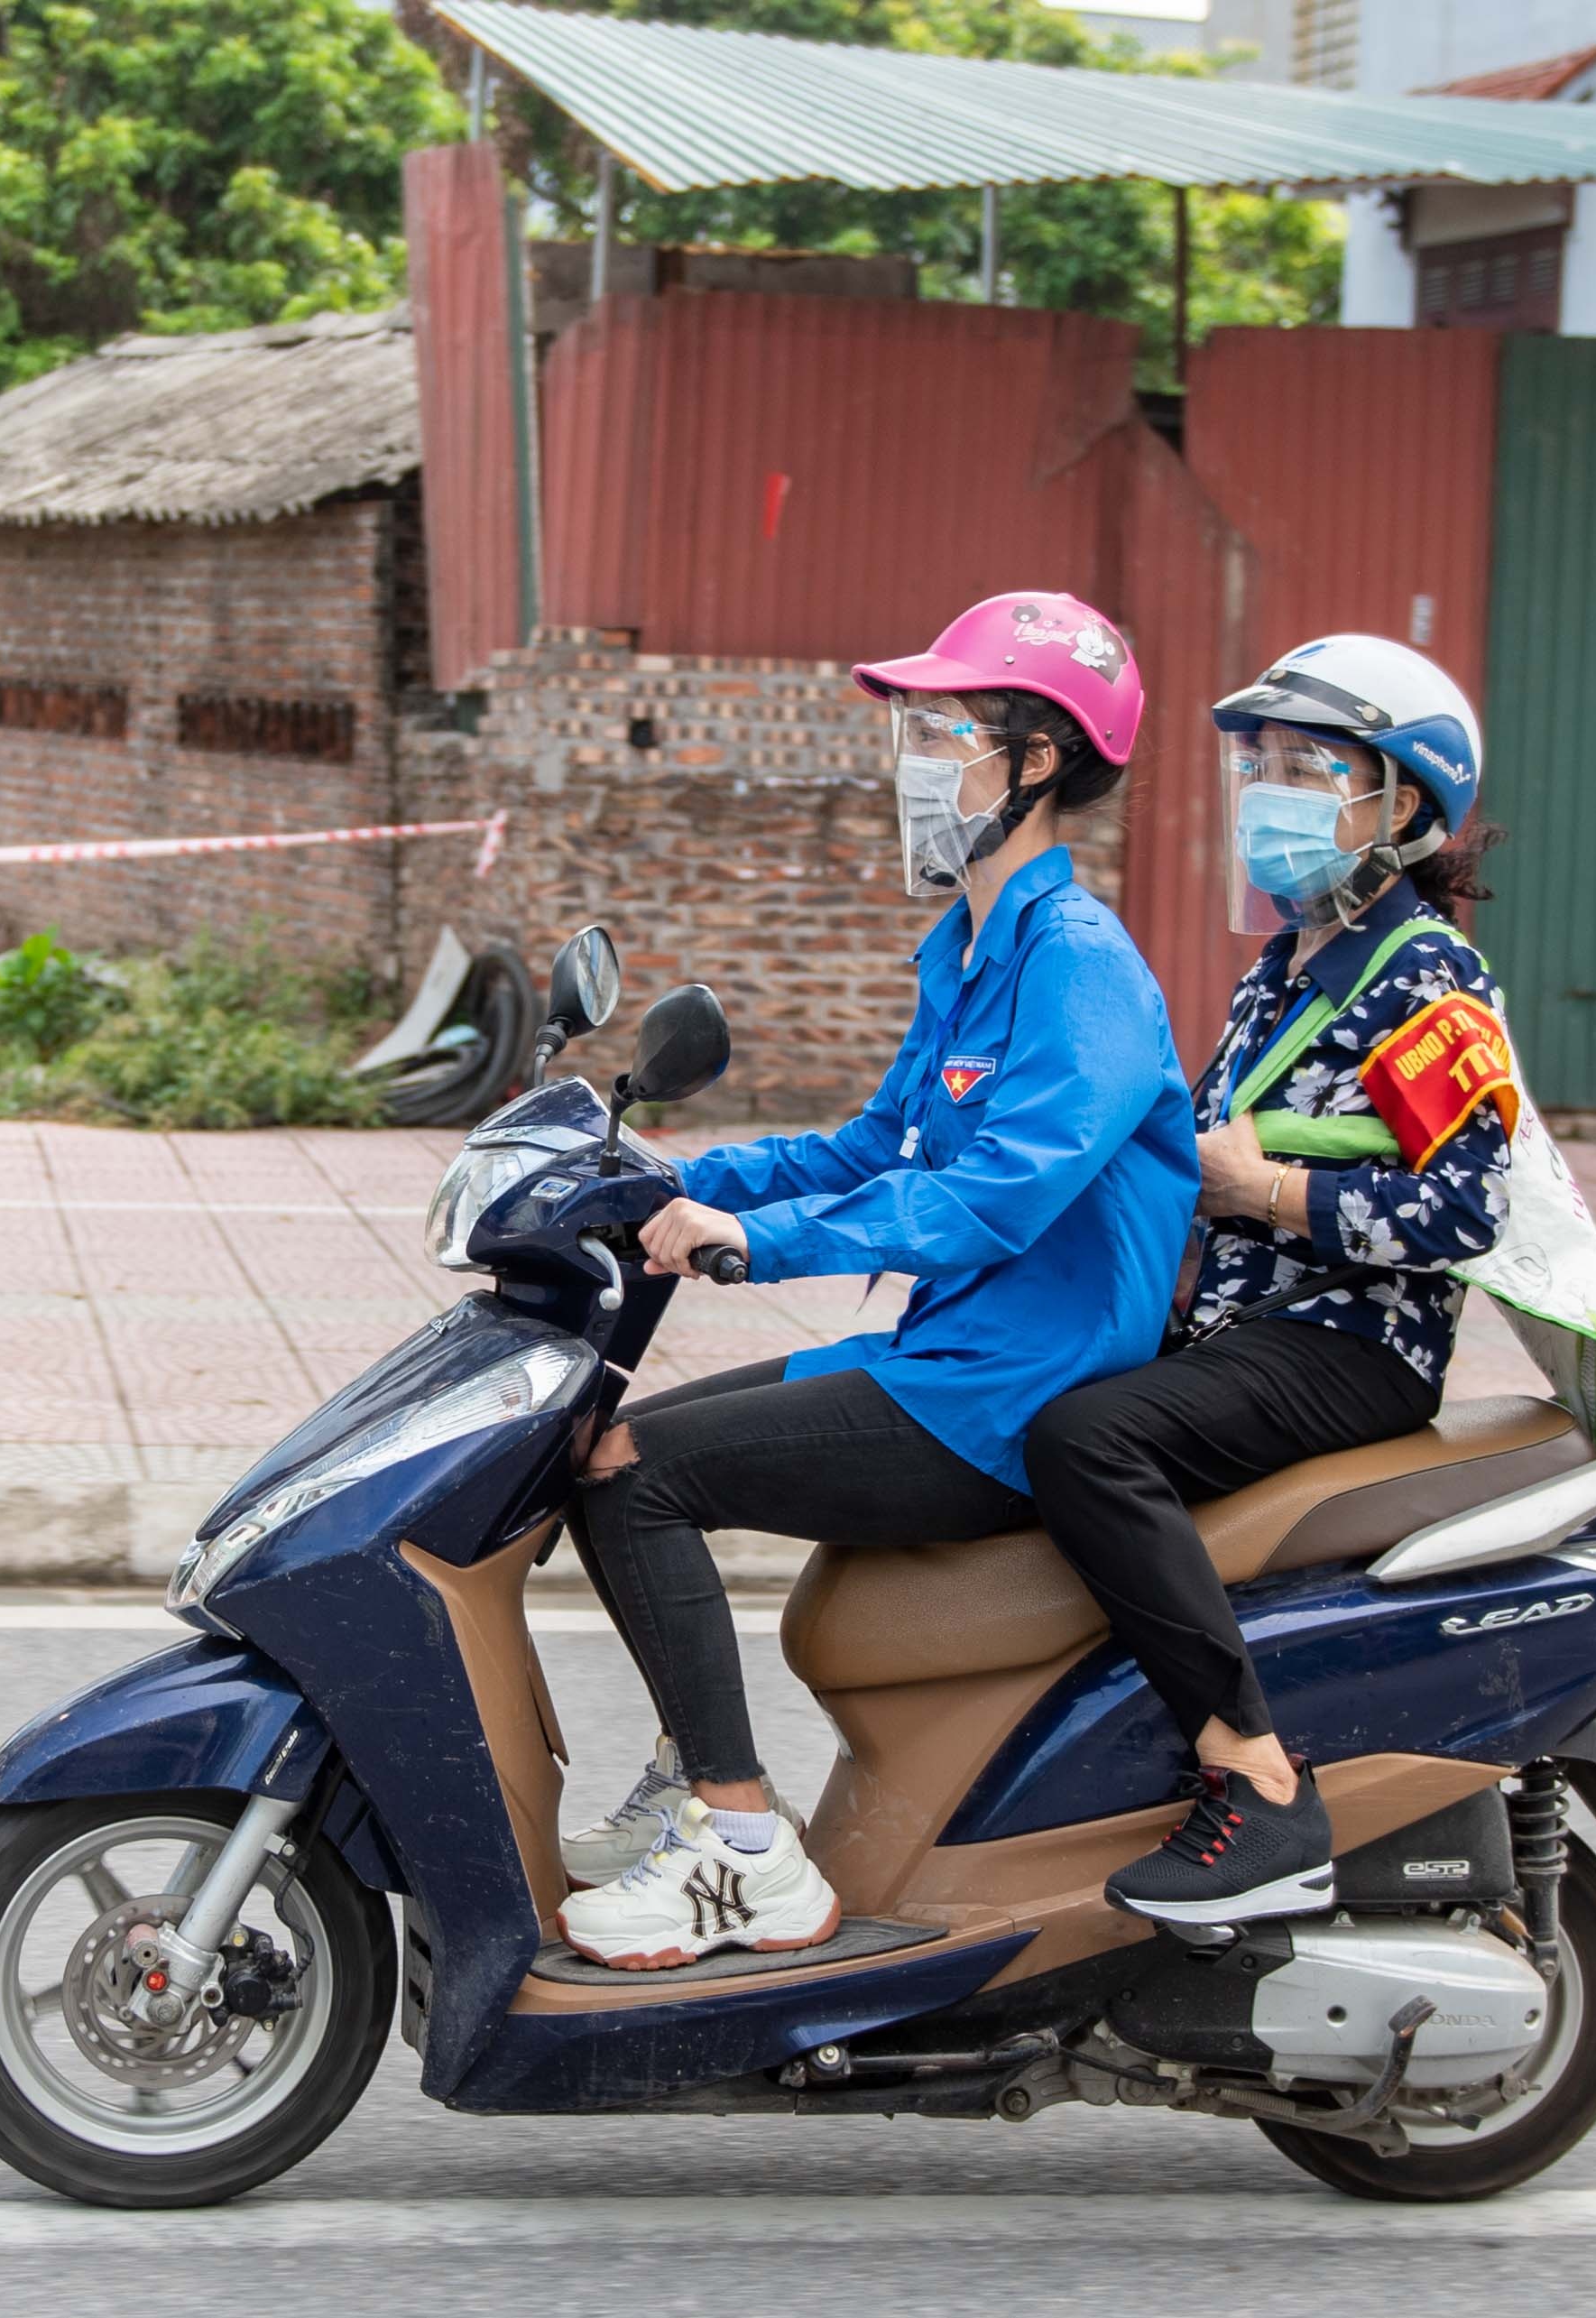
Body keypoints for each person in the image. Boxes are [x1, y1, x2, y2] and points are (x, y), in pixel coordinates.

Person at [552, 591, 1199, 1972]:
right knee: (595, 1446)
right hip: (941, 1366)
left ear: (1034, 760)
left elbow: (996, 1195)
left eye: (942, 730)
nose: (911, 759)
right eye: (914, 727)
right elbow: (869, 1143)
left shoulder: (1080, 965)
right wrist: (681, 1178)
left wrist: (755, 1243)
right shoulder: (970, 950)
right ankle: (702, 1784)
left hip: (1013, 1400)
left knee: (633, 1471)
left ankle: (738, 1847)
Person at [1023, 632, 1522, 1930]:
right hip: (1241, 1329)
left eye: (1310, 765)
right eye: (1263, 764)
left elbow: (1465, 1208)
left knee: (1088, 1441)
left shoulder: (1427, 972)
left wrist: (1270, 1192)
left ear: (1400, 802)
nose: (1271, 792)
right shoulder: (1283, 966)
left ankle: (1256, 1776)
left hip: (1350, 1343)